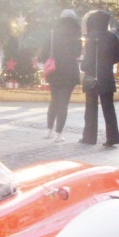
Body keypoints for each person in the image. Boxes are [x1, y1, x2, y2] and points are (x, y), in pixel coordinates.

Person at [79, 9, 119, 147]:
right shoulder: (111, 36)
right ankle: (112, 138)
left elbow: (87, 58)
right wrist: (108, 62)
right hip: (106, 75)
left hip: (92, 76)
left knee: (91, 108)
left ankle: (89, 137)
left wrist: (84, 66)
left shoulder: (91, 37)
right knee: (109, 109)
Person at [40, 9, 82, 142]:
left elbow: (43, 53)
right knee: (63, 103)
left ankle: (48, 131)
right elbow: (77, 54)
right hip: (70, 72)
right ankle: (58, 134)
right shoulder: (76, 34)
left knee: (54, 101)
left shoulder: (52, 33)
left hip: (55, 71)